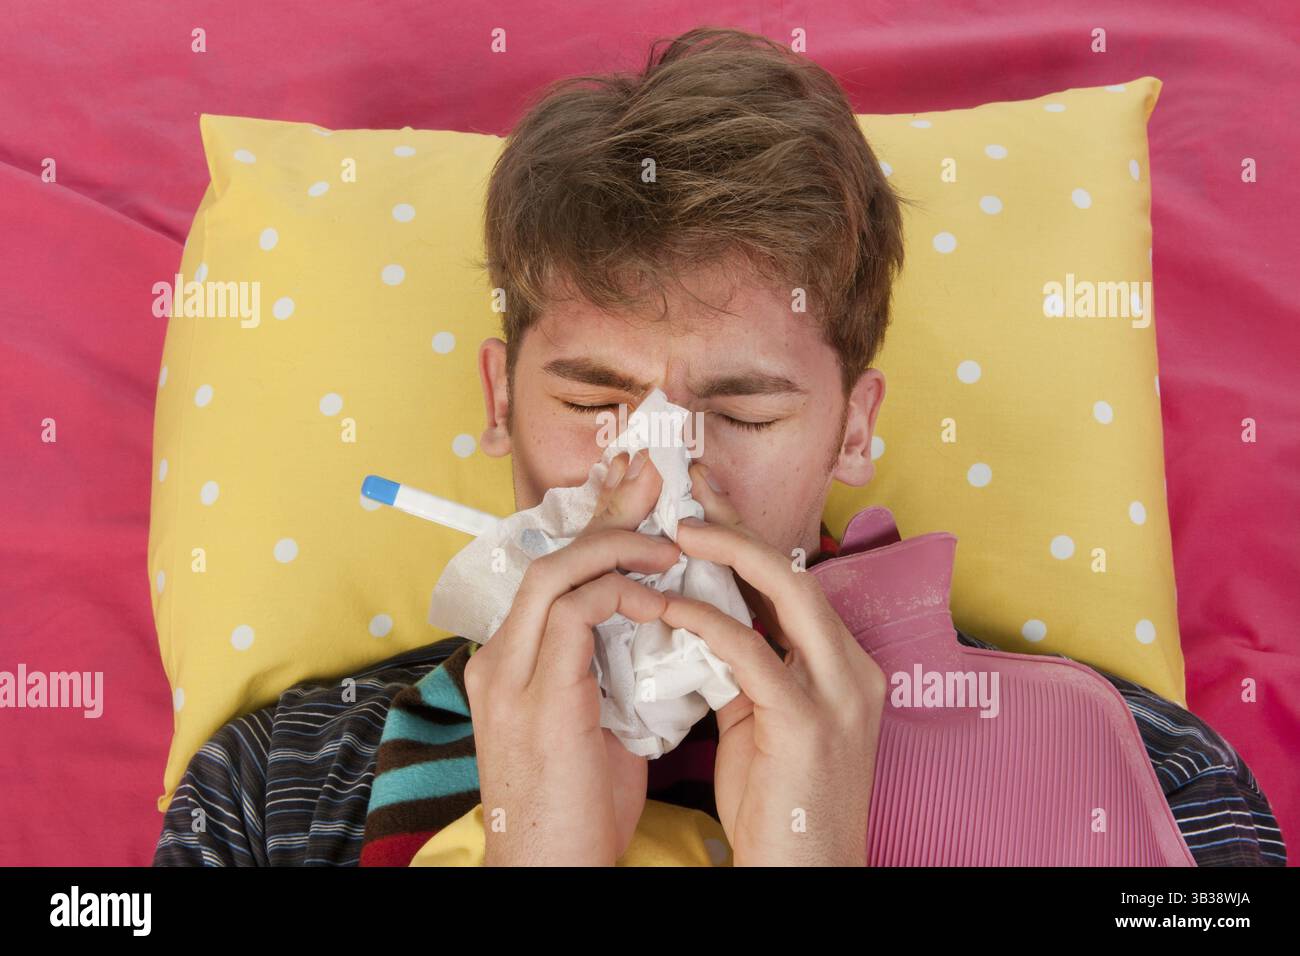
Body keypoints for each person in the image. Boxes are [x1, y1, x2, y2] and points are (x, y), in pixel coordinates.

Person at [154, 26, 1285, 867]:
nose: (658, 480)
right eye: (594, 397)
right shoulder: (275, 789)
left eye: (741, 413)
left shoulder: (1148, 775)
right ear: (498, 400)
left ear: (854, 428)